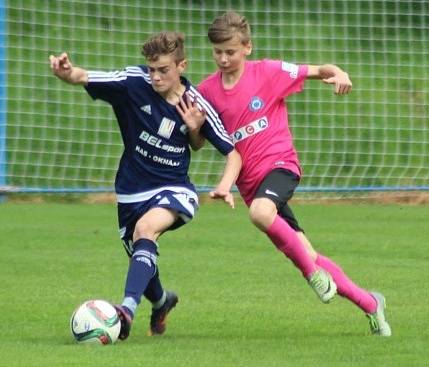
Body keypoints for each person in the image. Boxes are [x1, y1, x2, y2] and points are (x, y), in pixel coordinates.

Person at [199, 11, 391, 336]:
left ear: (247, 47)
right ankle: (372, 304)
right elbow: (199, 141)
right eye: (217, 52)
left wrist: (340, 73)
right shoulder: (207, 92)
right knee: (308, 253)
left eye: (230, 51)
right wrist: (192, 128)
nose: (223, 58)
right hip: (252, 187)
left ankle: (312, 278)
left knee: (261, 214)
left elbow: (320, 69)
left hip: (281, 167)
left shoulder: (269, 72)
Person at [49, 31, 241, 340]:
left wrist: (224, 184)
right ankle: (162, 302)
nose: (155, 76)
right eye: (151, 69)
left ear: (182, 66)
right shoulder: (132, 83)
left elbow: (232, 153)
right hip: (131, 190)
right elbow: (83, 76)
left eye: (163, 70)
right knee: (142, 255)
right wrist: (66, 72)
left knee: (146, 230)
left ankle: (125, 311)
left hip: (175, 188)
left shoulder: (196, 103)